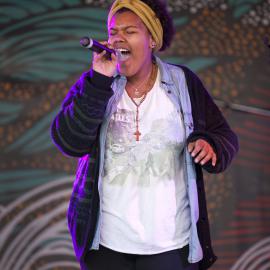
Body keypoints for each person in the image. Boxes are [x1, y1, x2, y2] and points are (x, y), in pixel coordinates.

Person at [51, 0, 239, 269]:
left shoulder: (183, 82)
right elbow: (69, 141)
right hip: (106, 243)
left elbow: (224, 136)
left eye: (130, 32)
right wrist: (99, 81)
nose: (118, 39)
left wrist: (211, 145)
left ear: (152, 39)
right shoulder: (96, 83)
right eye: (114, 32)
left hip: (170, 244)